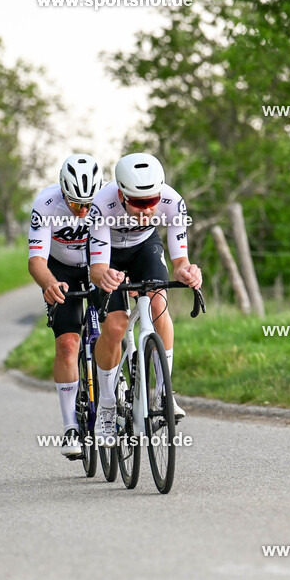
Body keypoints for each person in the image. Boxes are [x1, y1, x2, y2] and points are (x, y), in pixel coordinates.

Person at [88, 153, 202, 441]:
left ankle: (165, 393)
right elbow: (97, 268)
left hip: (143, 247)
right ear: (121, 194)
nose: (146, 208)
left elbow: (180, 263)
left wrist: (189, 273)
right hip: (109, 253)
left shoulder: (173, 202)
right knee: (114, 326)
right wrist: (106, 277)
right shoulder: (102, 204)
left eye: (152, 200)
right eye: (138, 203)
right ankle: (106, 407)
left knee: (158, 304)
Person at [27, 154, 105, 459]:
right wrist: (49, 284)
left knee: (115, 328)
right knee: (69, 344)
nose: (83, 211)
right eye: (76, 205)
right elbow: (36, 260)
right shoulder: (45, 204)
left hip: (100, 264)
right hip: (61, 270)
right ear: (62, 191)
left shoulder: (109, 201)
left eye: (88, 204)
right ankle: (70, 425)